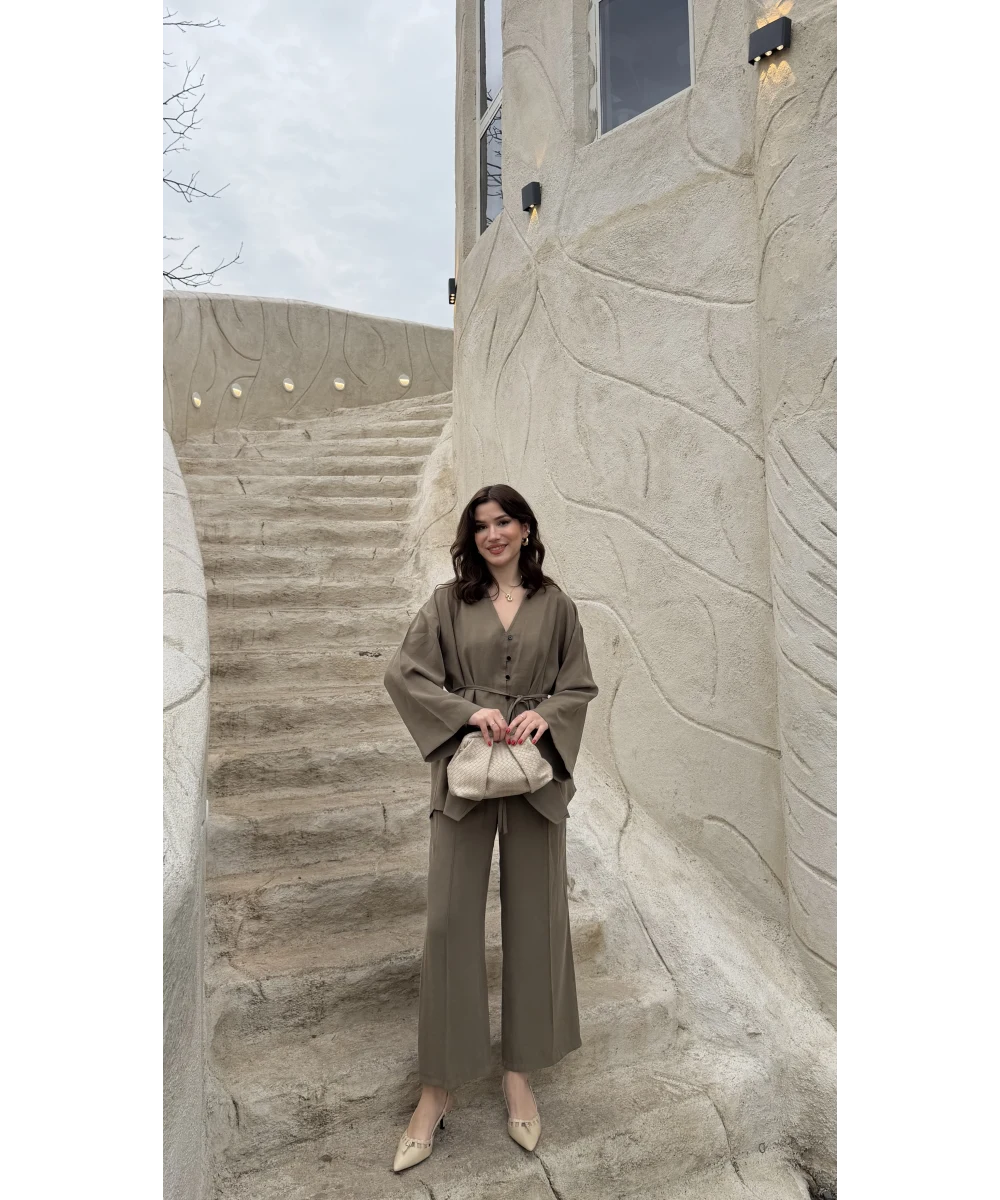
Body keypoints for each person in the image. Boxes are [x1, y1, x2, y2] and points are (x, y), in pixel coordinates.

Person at [383, 483, 599, 1171]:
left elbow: (578, 686)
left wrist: (547, 715)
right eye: (480, 525)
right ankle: (438, 1088)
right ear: (470, 537)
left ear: (526, 527)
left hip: (534, 776)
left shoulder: (557, 607)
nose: (493, 534)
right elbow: (406, 674)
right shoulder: (448, 603)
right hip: (468, 772)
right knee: (449, 922)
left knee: (536, 920)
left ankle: (518, 1076)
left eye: (504, 521)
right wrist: (465, 712)